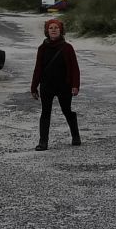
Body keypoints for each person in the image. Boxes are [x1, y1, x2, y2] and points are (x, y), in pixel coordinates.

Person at [30, 18, 82, 151]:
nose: (53, 30)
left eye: (56, 28)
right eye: (51, 28)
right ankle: (43, 142)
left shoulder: (67, 48)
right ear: (47, 31)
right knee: (45, 113)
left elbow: (75, 68)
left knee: (67, 111)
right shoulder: (42, 48)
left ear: (61, 31)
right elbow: (38, 68)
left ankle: (76, 137)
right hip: (47, 85)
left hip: (64, 85)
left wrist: (75, 85)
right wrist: (34, 86)